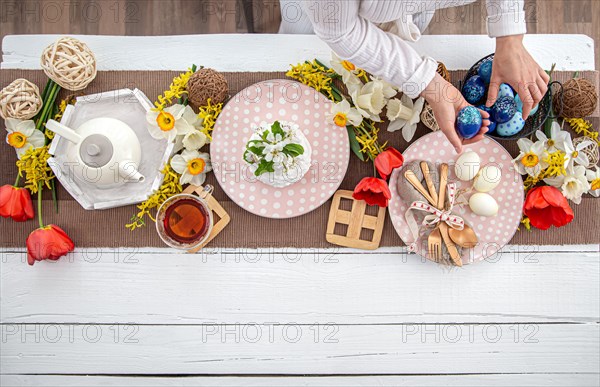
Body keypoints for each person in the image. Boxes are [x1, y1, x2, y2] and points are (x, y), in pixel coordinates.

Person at [279, 0, 549, 153]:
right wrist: (425, 80)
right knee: (288, 59)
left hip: (409, 11)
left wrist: (510, 35)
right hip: (320, 16)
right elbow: (340, 31)